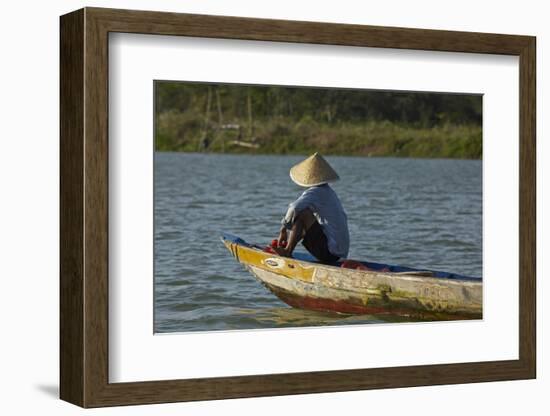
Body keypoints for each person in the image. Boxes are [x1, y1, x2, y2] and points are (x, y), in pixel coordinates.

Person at [274, 152, 349, 264]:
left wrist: (283, 230)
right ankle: (287, 247)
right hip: (340, 253)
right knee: (303, 216)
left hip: (331, 253)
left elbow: (294, 208)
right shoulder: (328, 192)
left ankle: (288, 251)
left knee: (303, 214)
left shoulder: (315, 192)